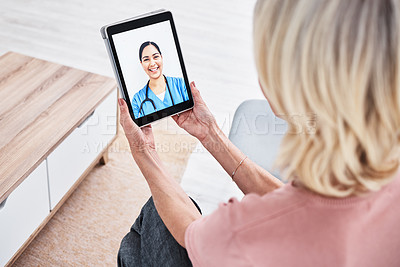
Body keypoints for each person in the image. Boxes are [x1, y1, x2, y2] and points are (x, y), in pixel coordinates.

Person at [117, 0, 400, 266]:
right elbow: (302, 209)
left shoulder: (245, 230)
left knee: (149, 225)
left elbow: (194, 237)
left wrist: (144, 152)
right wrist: (211, 135)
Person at [131, 41, 188, 118]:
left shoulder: (181, 84)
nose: (152, 63)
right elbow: (135, 126)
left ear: (161, 57)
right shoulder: (137, 100)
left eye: (156, 57)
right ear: (141, 64)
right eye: (146, 59)